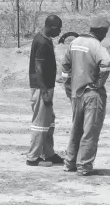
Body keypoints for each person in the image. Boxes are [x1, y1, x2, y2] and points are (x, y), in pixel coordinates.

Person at [61, 15, 110, 176]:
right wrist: (99, 84)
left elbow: (65, 67)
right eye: (105, 32)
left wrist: (68, 86)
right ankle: (84, 166)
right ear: (102, 31)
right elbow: (106, 65)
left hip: (76, 94)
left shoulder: (74, 43)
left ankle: (70, 163)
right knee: (90, 131)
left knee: (76, 129)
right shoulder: (96, 46)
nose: (105, 35)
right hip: (92, 95)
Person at [26, 15, 64, 167]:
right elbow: (38, 68)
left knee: (49, 121)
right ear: (52, 27)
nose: (60, 32)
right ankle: (33, 157)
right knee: (40, 123)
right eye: (59, 29)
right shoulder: (41, 42)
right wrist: (44, 91)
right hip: (42, 88)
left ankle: (48, 153)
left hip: (46, 87)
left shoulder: (46, 39)